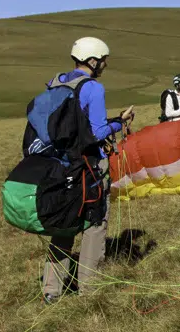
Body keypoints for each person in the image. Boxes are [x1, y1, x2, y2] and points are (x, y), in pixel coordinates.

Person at [42, 37, 134, 304]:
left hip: (58, 165)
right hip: (89, 165)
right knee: (94, 224)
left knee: (64, 221)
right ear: (93, 60)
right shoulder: (93, 88)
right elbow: (96, 132)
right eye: (103, 59)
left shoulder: (56, 82)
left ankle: (51, 289)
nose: (104, 64)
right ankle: (89, 291)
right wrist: (119, 122)